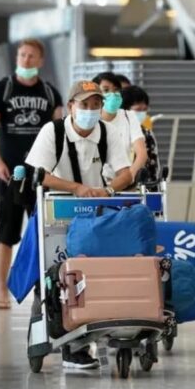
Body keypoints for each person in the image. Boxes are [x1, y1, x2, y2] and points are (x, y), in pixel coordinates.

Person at [25, 80, 133, 368]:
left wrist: (109, 190)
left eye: (95, 104)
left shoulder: (107, 132)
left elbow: (125, 172)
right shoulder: (54, 131)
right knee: (54, 277)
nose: (90, 110)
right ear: (71, 106)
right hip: (55, 211)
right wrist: (75, 188)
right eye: (84, 104)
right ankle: (55, 339)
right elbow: (38, 173)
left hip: (94, 216)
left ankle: (83, 343)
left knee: (92, 277)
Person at [0, 38, 63, 309]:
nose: (25, 60)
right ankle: (2, 291)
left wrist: (54, 169)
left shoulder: (50, 93)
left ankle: (44, 290)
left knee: (43, 231)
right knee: (6, 233)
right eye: (22, 55)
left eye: (31, 56)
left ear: (40, 61)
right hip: (9, 173)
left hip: (39, 175)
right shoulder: (2, 89)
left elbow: (58, 132)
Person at [91, 72, 147, 186]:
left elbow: (141, 154)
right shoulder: (88, 118)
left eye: (116, 90)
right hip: (94, 185)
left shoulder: (129, 117)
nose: (112, 94)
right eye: (106, 90)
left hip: (124, 185)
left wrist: (127, 178)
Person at [121, 85, 161, 187]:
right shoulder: (115, 132)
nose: (142, 113)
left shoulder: (147, 132)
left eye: (145, 109)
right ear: (124, 109)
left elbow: (154, 162)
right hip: (123, 187)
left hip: (148, 185)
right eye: (138, 109)